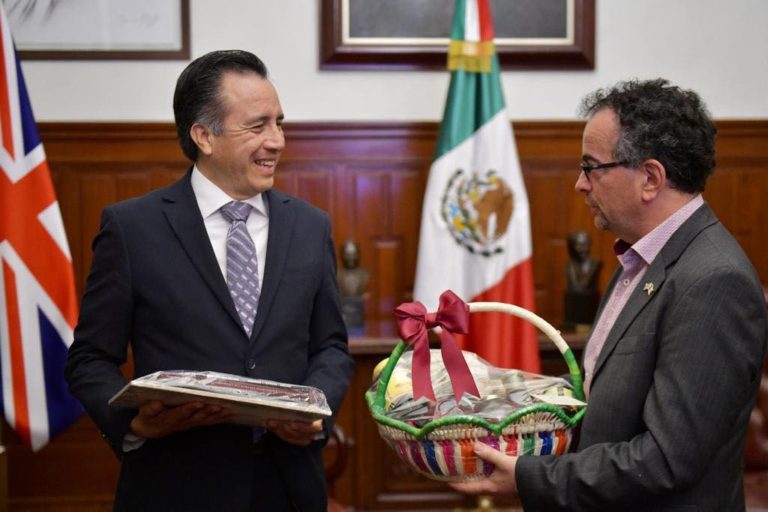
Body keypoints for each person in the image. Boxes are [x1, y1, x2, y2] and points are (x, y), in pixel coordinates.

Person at [451, 78, 768, 510]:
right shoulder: (642, 258)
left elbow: (665, 461)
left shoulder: (713, 280)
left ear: (650, 178)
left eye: (591, 167)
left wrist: (530, 477)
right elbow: (608, 394)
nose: (580, 184)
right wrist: (506, 397)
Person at [65, 50, 354, 511]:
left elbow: (331, 347)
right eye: (257, 126)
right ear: (204, 136)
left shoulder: (310, 226)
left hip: (290, 486)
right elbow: (90, 358)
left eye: (279, 123)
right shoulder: (132, 229)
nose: (277, 141)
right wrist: (133, 425)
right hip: (176, 486)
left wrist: (315, 411)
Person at [563, 230, 602, 328]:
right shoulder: (569, 267)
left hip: (590, 309)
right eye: (578, 245)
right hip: (573, 313)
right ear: (572, 247)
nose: (582, 249)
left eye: (585, 245)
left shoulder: (596, 264)